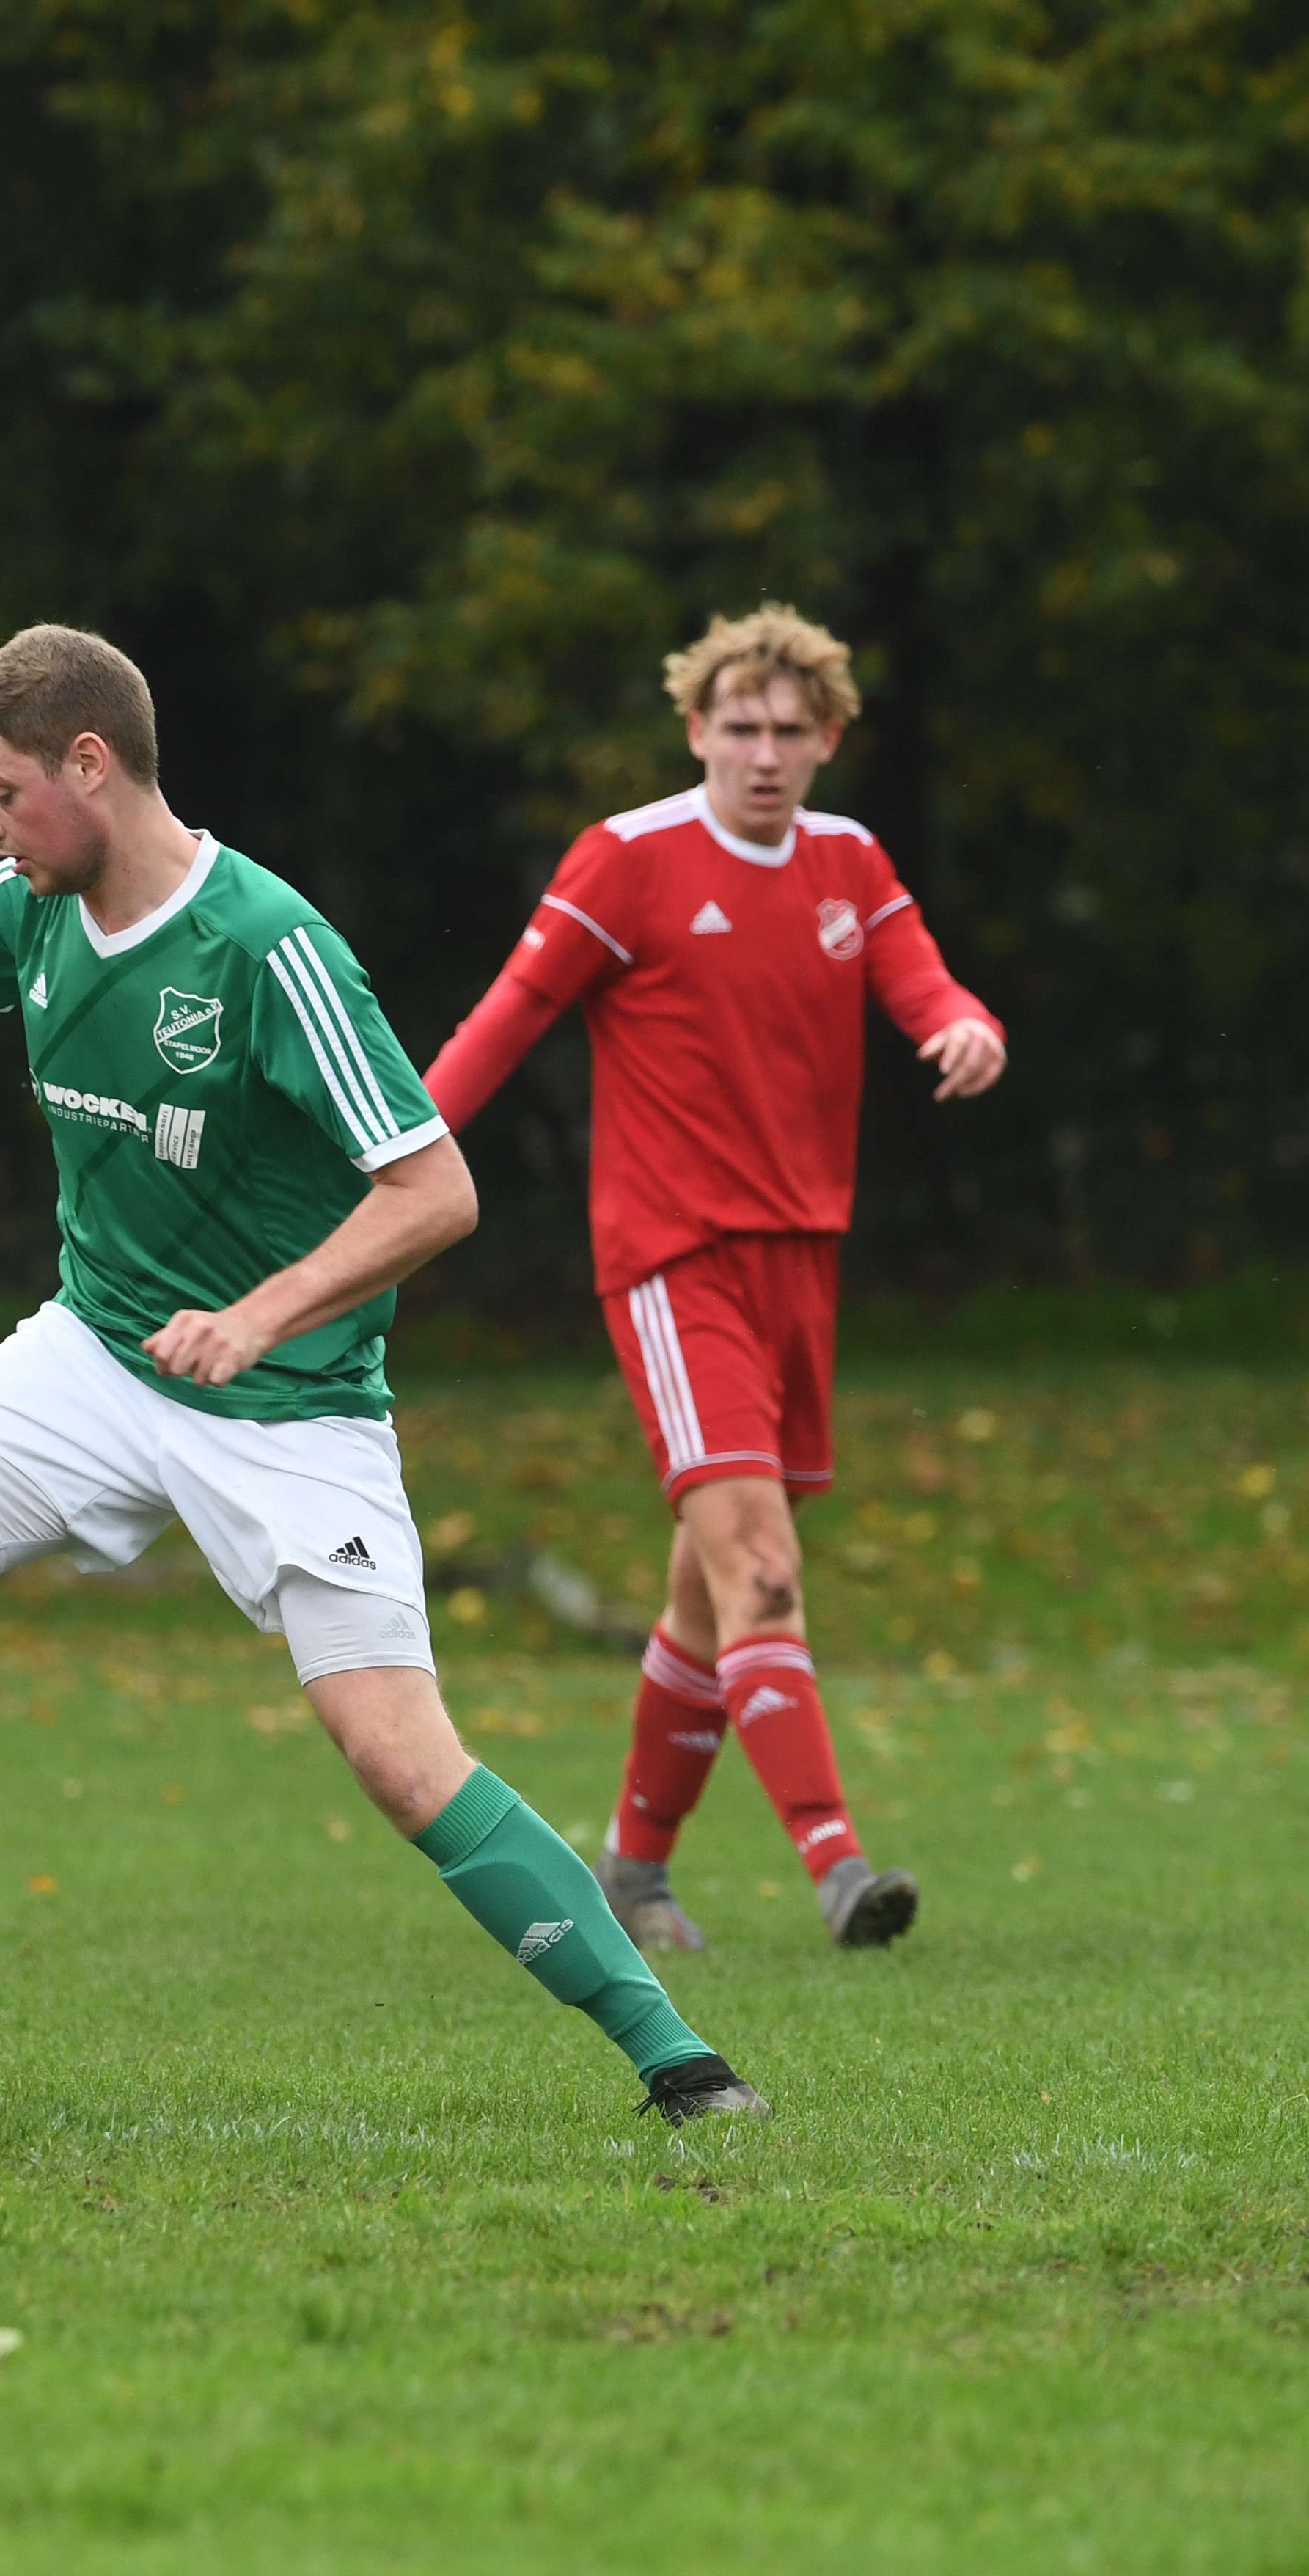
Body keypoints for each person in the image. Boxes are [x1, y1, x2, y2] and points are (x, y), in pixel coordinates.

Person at [0, 622, 767, 2125]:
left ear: (90, 763)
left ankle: (681, 2061)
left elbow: (435, 1191)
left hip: (287, 1401)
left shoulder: (267, 945)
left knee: (397, 1757)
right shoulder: (31, 902)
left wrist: (260, 1314)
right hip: (96, 1346)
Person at [422, 606, 1002, 1955]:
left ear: (829, 740)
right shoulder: (626, 860)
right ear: (695, 730)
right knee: (765, 1572)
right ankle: (841, 1867)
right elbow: (509, 1015)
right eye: (737, 727)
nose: (762, 752)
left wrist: (969, 1029)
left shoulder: (850, 861)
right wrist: (408, 1144)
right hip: (674, 1261)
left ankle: (632, 1867)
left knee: (708, 1593)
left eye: (789, 731)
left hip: (805, 1263)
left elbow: (929, 989)